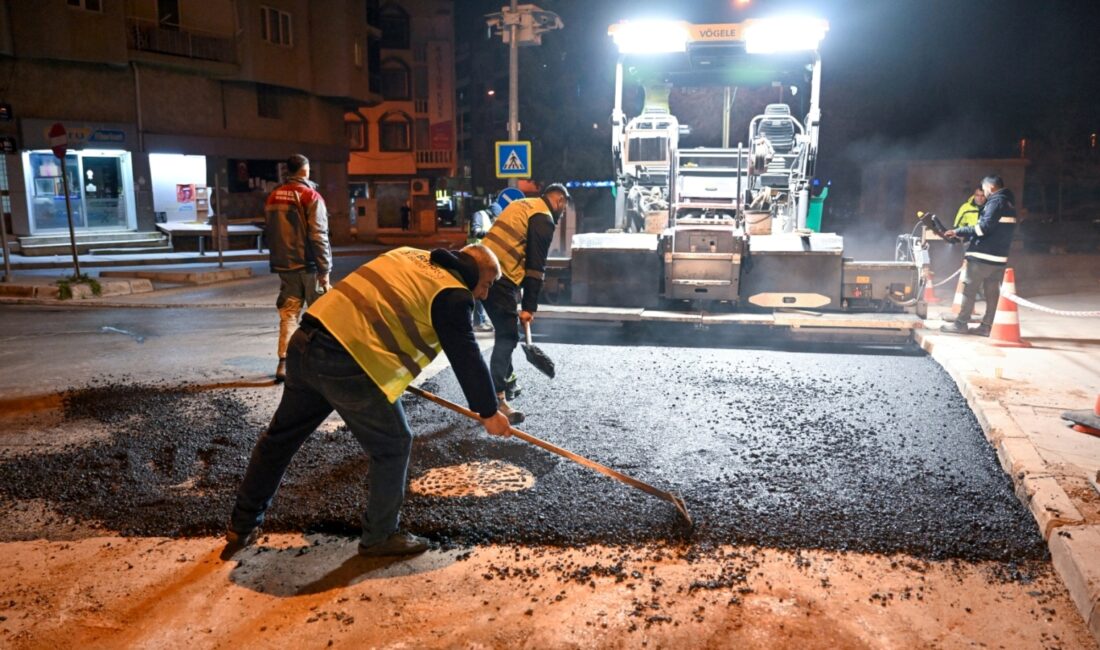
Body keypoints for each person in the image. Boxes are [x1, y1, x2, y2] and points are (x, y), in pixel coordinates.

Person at [223, 245, 511, 560]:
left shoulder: (408, 254)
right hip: (347, 364)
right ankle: (381, 535)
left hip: (307, 341)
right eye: (487, 284)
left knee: (280, 440)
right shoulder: (453, 295)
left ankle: (243, 523)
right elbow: (466, 355)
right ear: (472, 270)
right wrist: (488, 412)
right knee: (393, 444)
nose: (484, 295)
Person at [481, 183, 570, 423]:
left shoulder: (522, 204)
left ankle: (508, 381)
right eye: (564, 207)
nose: (561, 214)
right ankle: (497, 401)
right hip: (498, 277)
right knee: (508, 336)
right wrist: (530, 307)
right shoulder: (543, 218)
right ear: (559, 201)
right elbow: (535, 267)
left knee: (504, 330)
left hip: (480, 270)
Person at [265, 154, 332, 382]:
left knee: (289, 313)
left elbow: (270, 231)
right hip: (309, 265)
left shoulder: (273, 196)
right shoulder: (310, 196)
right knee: (320, 315)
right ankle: (321, 365)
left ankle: (285, 362)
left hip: (285, 265)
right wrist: (325, 269)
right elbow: (318, 235)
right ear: (305, 171)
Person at [941, 175, 1017, 336]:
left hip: (982, 255)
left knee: (969, 290)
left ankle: (961, 324)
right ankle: (986, 326)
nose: (984, 192)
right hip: (999, 257)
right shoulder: (1009, 203)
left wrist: (958, 231)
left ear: (990, 187)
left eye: (985, 188)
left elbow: (983, 228)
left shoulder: (996, 201)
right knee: (992, 292)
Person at [468, 201, 502, 332]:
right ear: (493, 214)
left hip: (483, 258)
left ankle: (480, 319)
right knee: (478, 290)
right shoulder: (479, 215)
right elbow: (475, 232)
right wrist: (492, 234)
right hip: (474, 257)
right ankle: (478, 322)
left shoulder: (489, 219)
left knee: (483, 290)